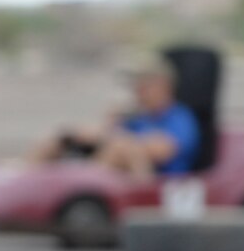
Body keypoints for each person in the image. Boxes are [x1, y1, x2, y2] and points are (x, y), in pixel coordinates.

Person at [32, 55, 201, 179]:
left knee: (122, 147)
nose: (137, 91)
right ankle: (27, 180)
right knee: (61, 139)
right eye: (136, 86)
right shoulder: (136, 117)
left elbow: (163, 150)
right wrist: (95, 132)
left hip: (160, 184)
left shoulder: (180, 117)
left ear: (163, 86)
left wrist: (118, 138)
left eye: (143, 86)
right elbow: (103, 136)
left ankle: (83, 185)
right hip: (120, 176)